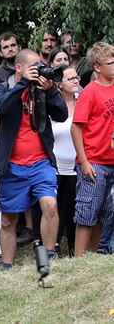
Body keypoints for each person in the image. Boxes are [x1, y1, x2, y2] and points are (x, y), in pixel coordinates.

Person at [0, 49, 67, 268]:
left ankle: (49, 259)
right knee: (8, 220)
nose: (39, 71)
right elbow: (1, 107)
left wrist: (51, 91)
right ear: (19, 67)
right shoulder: (2, 87)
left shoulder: (41, 90)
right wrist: (23, 84)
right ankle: (7, 267)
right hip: (12, 165)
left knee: (50, 205)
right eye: (35, 67)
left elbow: (61, 115)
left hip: (41, 162)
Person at [71, 42, 114, 256]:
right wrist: (84, 161)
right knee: (87, 213)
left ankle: (93, 257)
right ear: (97, 67)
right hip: (94, 161)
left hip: (111, 160)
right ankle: (79, 259)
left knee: (104, 214)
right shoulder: (90, 92)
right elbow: (75, 128)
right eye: (110, 63)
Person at [52, 65, 79, 256]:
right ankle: (53, 246)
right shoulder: (52, 105)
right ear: (59, 84)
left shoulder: (83, 101)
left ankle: (73, 248)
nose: (76, 80)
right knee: (55, 208)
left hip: (78, 166)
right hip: (55, 167)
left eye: (77, 77)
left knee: (72, 210)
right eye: (70, 79)